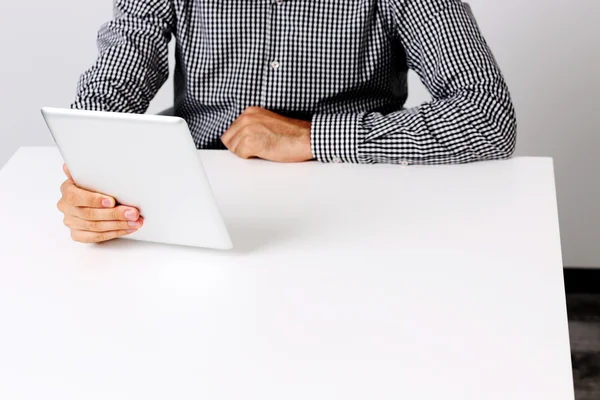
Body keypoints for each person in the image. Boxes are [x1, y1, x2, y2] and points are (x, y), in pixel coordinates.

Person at [58, 0, 517, 243]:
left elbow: (488, 114)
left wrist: (316, 136)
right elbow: (118, 74)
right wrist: (95, 177)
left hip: (358, 208)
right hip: (194, 196)